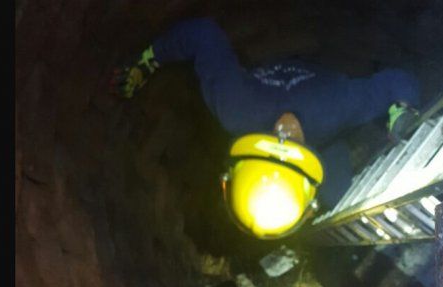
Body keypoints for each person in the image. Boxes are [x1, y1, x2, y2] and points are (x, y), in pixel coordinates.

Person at [112, 18, 420, 239]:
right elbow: (397, 82)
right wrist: (401, 112)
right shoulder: (332, 108)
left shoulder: (237, 106)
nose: (283, 131)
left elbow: (202, 34)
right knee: (338, 187)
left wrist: (147, 61)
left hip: (291, 73)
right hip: (322, 85)